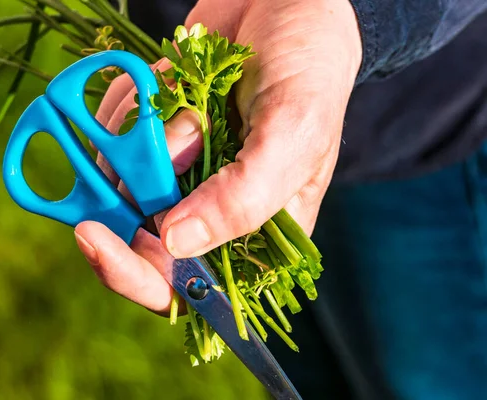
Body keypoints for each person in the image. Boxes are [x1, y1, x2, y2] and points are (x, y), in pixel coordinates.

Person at [73, 1, 487, 398]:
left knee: (422, 383)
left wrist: (350, 11)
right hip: (223, 119)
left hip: (413, 135)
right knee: (309, 376)